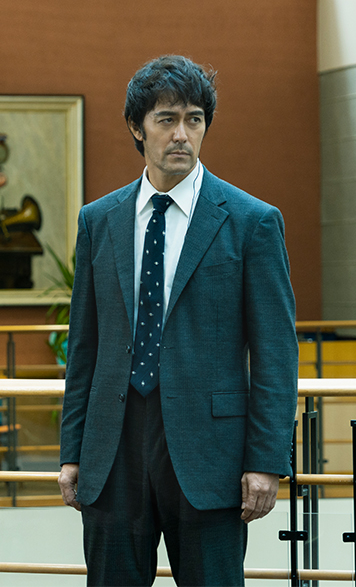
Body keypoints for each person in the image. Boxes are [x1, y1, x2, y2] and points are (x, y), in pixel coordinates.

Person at [58, 55, 299, 586]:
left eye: (194, 119)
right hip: (113, 449)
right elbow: (85, 347)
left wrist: (266, 460)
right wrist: (72, 451)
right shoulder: (99, 220)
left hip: (210, 455)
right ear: (137, 128)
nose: (182, 135)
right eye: (166, 119)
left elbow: (276, 354)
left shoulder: (252, 222)